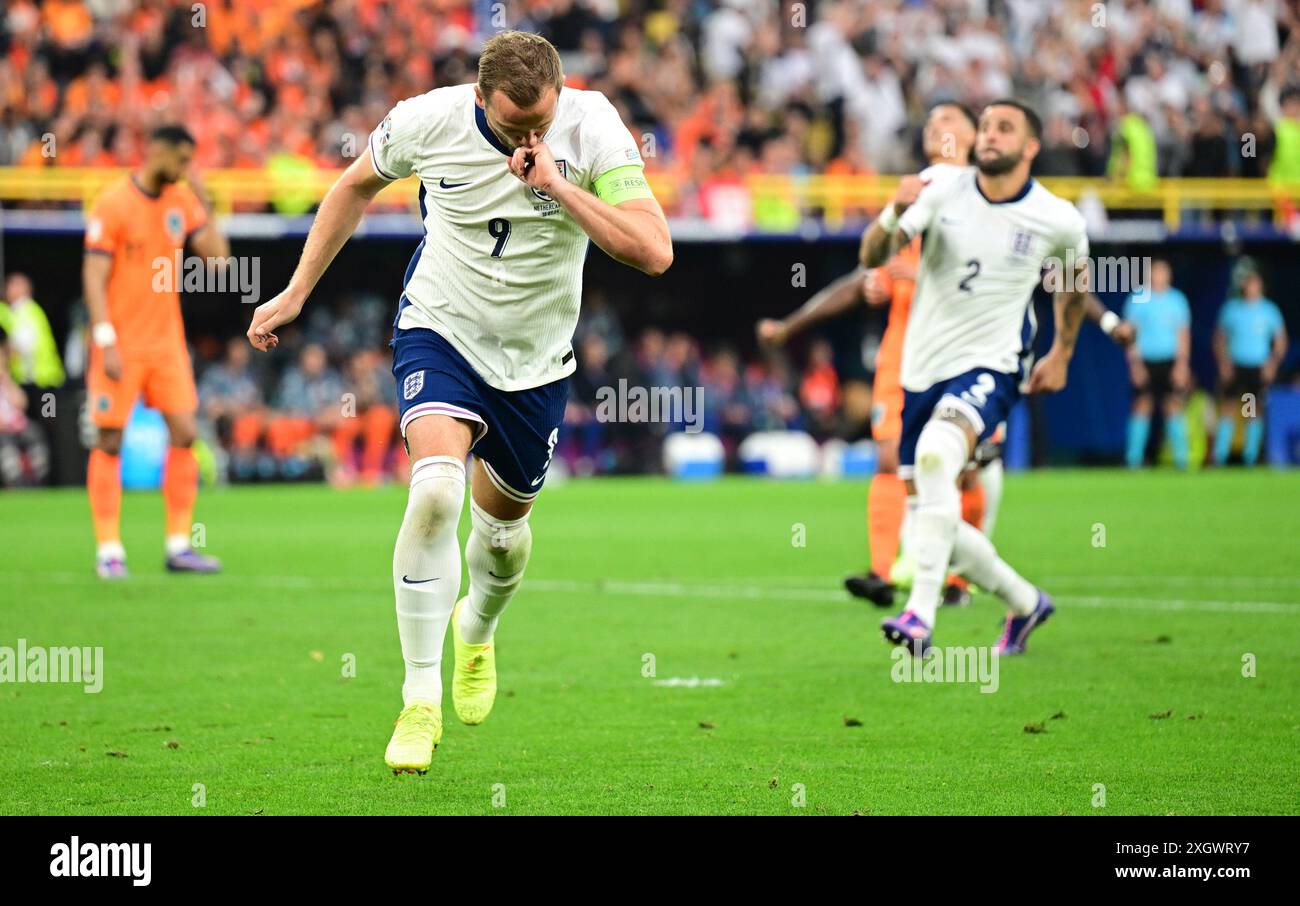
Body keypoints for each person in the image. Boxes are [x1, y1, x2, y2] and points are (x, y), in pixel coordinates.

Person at [244, 32, 672, 774]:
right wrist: (296, 292)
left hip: (535, 362)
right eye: (514, 128)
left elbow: (654, 249)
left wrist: (560, 187)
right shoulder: (428, 120)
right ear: (480, 100)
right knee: (436, 491)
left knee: (501, 536)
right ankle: (418, 699)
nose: (530, 138)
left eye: (541, 122)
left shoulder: (593, 124)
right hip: (442, 328)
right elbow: (351, 187)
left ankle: (475, 628)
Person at [860, 99, 1090, 657]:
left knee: (940, 455)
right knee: (929, 516)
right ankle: (1025, 601)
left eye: (1004, 127)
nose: (989, 136)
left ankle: (919, 613)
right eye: (984, 126)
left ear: (1030, 146)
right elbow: (872, 254)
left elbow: (1076, 282)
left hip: (994, 365)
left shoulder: (1058, 218)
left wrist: (1060, 351)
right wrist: (892, 212)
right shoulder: (940, 185)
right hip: (922, 371)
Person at [755, 102, 979, 606]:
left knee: (961, 467)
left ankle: (956, 579)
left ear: (974, 134)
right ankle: (883, 573)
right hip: (902, 356)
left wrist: (919, 279)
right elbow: (866, 270)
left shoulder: (983, 196)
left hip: (964, 353)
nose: (934, 127)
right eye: (930, 120)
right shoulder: (913, 192)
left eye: (947, 120)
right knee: (889, 459)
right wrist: (791, 325)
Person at [82, 124, 228, 578]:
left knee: (185, 432)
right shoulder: (113, 203)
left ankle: (179, 546)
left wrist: (205, 201)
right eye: (182, 160)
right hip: (120, 343)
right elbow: (93, 276)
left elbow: (220, 263)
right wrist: (104, 337)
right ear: (157, 152)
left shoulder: (182, 202)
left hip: (167, 343)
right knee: (109, 438)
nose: (187, 169)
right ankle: (109, 549)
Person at [1122, 260, 1192, 469]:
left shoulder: (1177, 300)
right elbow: (1129, 335)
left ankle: (1182, 459)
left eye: (1163, 271)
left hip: (1169, 360)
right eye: (1155, 271)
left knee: (1173, 406)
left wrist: (1182, 365)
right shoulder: (1138, 298)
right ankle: (1133, 459)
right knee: (1142, 406)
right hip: (1145, 360)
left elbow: (1183, 335)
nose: (1159, 275)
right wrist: (1135, 365)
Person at [1214, 270, 1288, 466]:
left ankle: (1250, 455)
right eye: (1248, 284)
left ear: (1261, 286)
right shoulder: (1232, 309)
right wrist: (1224, 363)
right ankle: (1220, 455)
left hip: (1257, 367)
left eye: (1255, 284)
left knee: (1251, 409)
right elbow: (1220, 339)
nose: (1251, 288)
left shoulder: (1268, 310)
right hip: (1236, 366)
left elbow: (1280, 341)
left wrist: (1272, 363)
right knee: (1228, 407)